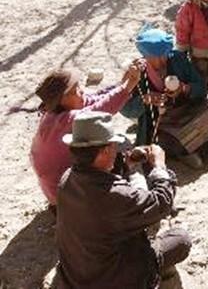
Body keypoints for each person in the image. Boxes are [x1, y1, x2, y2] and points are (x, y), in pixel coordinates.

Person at [55, 111, 191, 288]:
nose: (117, 151)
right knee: (181, 240)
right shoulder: (114, 196)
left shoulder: (67, 178)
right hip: (111, 280)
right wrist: (159, 166)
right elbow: (162, 203)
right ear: (104, 151)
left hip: (77, 275)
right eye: (114, 147)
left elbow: (103, 181)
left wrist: (128, 165)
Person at [121, 26, 208, 169]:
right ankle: (196, 150)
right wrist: (145, 99)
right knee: (164, 143)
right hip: (163, 124)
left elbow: (202, 87)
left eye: (164, 55)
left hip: (189, 112)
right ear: (145, 55)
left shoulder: (177, 59)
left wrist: (184, 88)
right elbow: (125, 108)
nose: (161, 60)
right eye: (154, 57)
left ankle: (193, 150)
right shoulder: (137, 72)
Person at [30, 65, 140, 213]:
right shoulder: (66, 121)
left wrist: (123, 84)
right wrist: (128, 86)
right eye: (76, 89)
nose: (81, 91)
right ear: (62, 99)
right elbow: (101, 109)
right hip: (68, 201)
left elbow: (94, 99)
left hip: (59, 194)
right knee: (115, 145)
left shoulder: (52, 112)